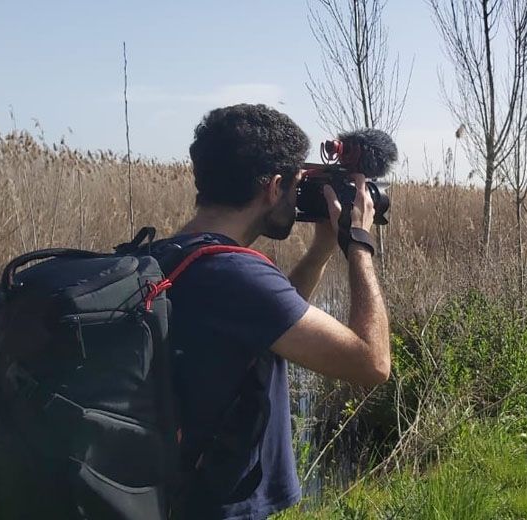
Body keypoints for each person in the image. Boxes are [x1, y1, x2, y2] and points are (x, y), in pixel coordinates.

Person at [165, 103, 390, 519]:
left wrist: (322, 248)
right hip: (220, 507)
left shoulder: (170, 256)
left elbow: (271, 322)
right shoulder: (238, 275)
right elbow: (372, 362)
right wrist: (358, 244)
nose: (297, 196)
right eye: (297, 184)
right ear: (273, 187)